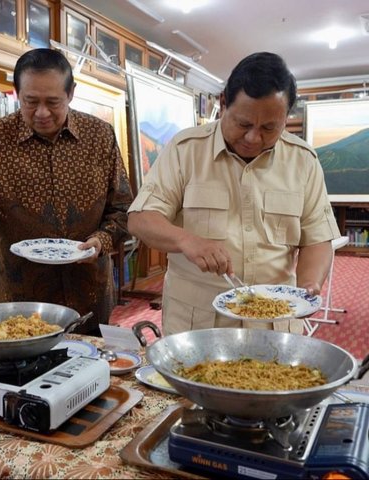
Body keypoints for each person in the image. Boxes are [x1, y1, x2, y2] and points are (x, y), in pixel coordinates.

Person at [128, 52, 340, 336]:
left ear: (286, 117)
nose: (254, 138)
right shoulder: (185, 150)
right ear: (223, 103)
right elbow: (140, 219)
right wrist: (187, 240)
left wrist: (310, 284)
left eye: (269, 128)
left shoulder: (303, 161)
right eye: (243, 124)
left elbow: (317, 238)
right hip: (198, 324)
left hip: (275, 320)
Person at [0, 48, 133, 336]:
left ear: (71, 94)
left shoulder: (99, 136)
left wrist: (102, 240)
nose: (41, 113)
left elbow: (124, 207)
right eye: (30, 102)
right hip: (23, 298)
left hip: (89, 291)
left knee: (90, 368)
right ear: (17, 94)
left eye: (53, 102)